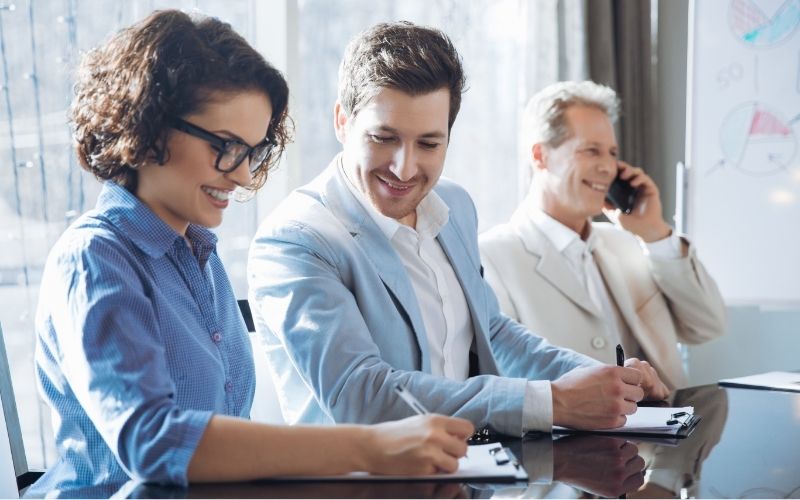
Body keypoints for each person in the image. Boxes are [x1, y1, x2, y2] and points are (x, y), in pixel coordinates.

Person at [28, 10, 474, 496]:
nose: (242, 176)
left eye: (252, 152)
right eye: (226, 146)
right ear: (149, 123)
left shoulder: (199, 255)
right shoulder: (96, 257)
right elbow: (153, 442)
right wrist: (371, 446)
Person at [247, 22, 669, 439]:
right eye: (383, 137)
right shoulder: (296, 239)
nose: (404, 168)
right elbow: (361, 395)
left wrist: (601, 380)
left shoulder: (454, 206)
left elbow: (494, 331)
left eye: (429, 144)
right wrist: (553, 401)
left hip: (473, 473)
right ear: (342, 121)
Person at [479, 81, 726, 390]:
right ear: (540, 156)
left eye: (612, 153)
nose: (608, 167)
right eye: (591, 150)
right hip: (570, 437)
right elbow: (508, 379)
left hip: (670, 432)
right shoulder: (492, 257)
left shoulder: (627, 243)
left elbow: (707, 325)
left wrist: (655, 234)